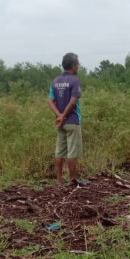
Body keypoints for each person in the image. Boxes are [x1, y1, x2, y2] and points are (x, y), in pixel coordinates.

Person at [48, 52, 85, 185]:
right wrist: (64, 115)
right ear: (73, 65)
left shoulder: (55, 81)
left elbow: (50, 101)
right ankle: (72, 179)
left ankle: (59, 180)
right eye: (77, 64)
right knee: (72, 151)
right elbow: (73, 101)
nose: (78, 66)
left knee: (60, 151)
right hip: (72, 121)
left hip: (60, 123)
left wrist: (59, 116)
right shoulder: (75, 81)